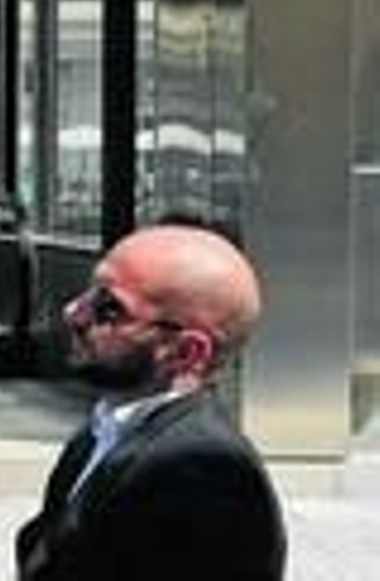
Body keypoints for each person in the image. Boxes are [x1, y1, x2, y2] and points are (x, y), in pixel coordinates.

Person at [15, 224, 287, 580]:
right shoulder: (110, 427)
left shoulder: (202, 475)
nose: (73, 312)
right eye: (89, 293)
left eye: (108, 309)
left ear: (187, 352)